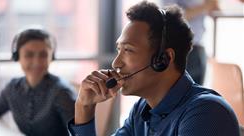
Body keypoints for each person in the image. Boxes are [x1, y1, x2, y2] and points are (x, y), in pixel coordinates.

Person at [68, 1, 240, 136]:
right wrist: (84, 107)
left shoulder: (206, 113)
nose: (116, 63)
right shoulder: (143, 111)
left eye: (128, 50)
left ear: (163, 58)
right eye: (119, 50)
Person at [0, 28, 75, 136]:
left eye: (43, 55)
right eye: (29, 55)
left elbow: (77, 132)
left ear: (52, 57)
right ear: (17, 56)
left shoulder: (61, 92)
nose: (36, 62)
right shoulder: (12, 89)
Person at [160, 0, 220, 85]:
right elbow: (170, 15)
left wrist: (212, 5)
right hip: (180, 49)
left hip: (199, 46)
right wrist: (204, 6)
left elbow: (215, 10)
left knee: (198, 92)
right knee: (180, 91)